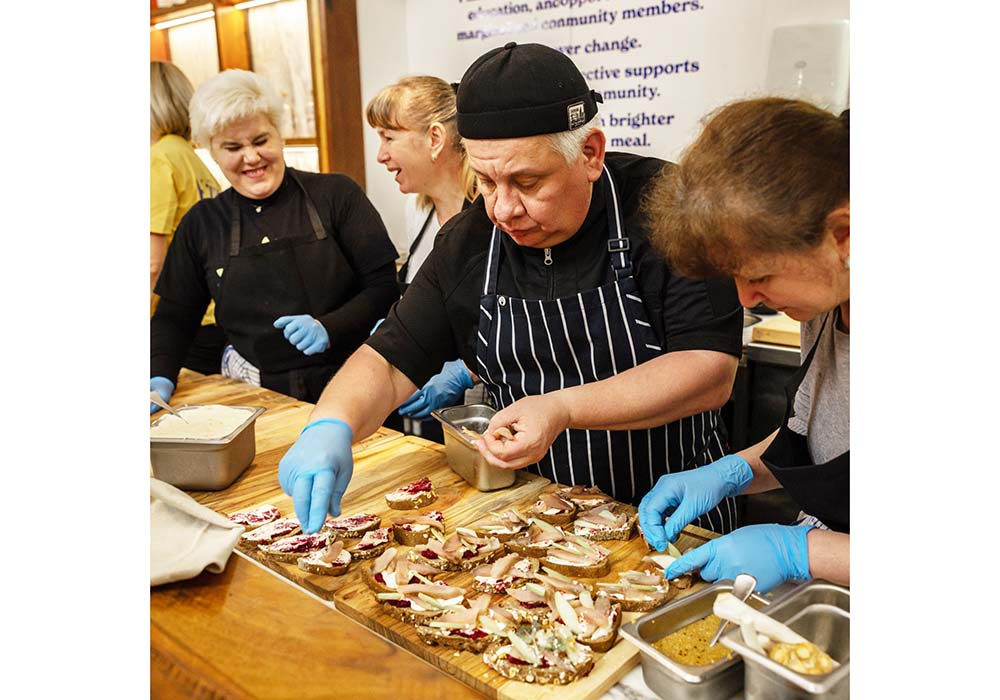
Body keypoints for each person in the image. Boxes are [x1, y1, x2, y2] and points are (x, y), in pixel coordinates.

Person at [277, 42, 744, 535]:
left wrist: (562, 408)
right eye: (485, 181)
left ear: (590, 153)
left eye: (526, 182)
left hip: (672, 516)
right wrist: (331, 424)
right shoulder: (468, 241)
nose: (502, 209)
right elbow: (389, 362)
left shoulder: (669, 210)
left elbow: (708, 370)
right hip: (530, 521)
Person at [636, 98, 850, 592]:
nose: (746, 298)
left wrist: (797, 550)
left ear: (843, 235)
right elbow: (824, 447)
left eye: (759, 276)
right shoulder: (823, 304)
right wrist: (731, 472)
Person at [150, 69, 398, 411]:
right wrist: (159, 375)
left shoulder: (336, 195)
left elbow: (384, 288)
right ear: (213, 151)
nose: (251, 157)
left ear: (279, 135)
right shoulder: (203, 224)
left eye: (260, 141)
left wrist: (330, 327)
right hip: (260, 397)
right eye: (233, 147)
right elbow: (174, 318)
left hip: (353, 384)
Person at [365, 76, 479, 431]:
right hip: (426, 409)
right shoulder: (419, 210)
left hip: (487, 409)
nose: (381, 155)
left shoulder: (492, 210)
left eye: (389, 137)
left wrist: (464, 372)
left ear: (434, 139)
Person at [149, 61, 225, 375]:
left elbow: (152, 263)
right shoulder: (195, 161)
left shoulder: (159, 158)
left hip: (179, 318)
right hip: (211, 315)